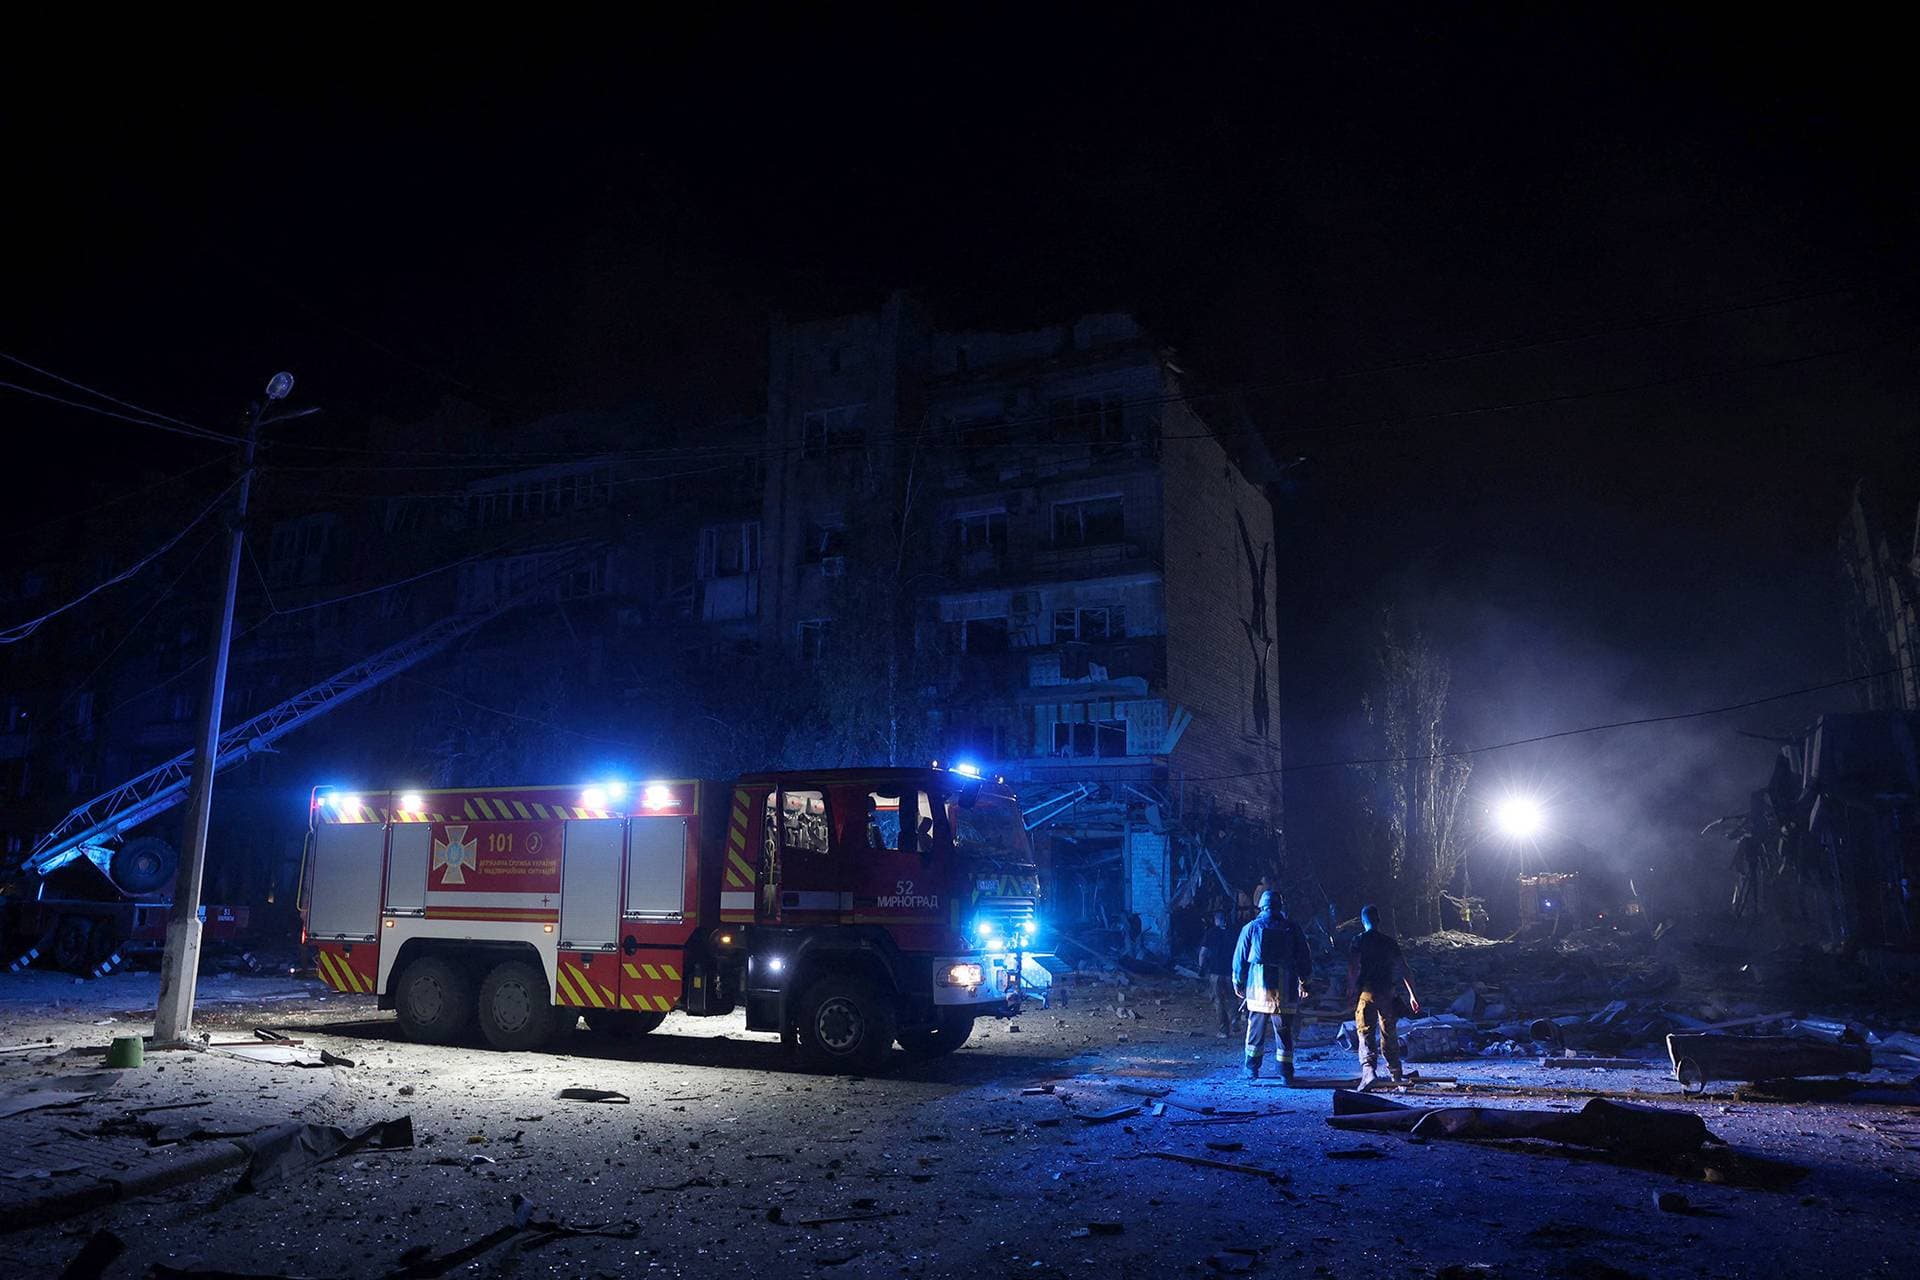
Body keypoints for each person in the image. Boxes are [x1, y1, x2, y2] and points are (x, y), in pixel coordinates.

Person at [1232, 891, 1312, 1082]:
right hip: (1285, 991)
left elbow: (1239, 957)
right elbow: (1304, 957)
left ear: (1261, 906)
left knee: (1255, 1032)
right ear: (1280, 906)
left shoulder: (1251, 927)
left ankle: (1251, 1070)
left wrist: (1238, 981)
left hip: (1258, 991)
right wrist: (1305, 982)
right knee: (1284, 1034)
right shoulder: (1292, 928)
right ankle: (1286, 1074)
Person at [1346, 904, 1419, 1091]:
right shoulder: (1389, 942)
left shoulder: (1358, 940)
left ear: (1363, 921)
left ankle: (1369, 1072)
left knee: (1365, 1032)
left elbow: (1354, 968)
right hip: (1387, 993)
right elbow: (1404, 969)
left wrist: (1351, 989)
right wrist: (1412, 995)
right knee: (1389, 1032)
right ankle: (1396, 1073)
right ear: (1378, 921)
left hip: (1367, 992)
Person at [1197, 910, 1239, 1036]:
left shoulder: (1211, 933)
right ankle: (1234, 1019)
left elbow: (1203, 953)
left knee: (1218, 1000)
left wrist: (1201, 969)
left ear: (1216, 920)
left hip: (1215, 972)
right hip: (1231, 972)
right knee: (1232, 998)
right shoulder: (1234, 932)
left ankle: (1223, 1030)